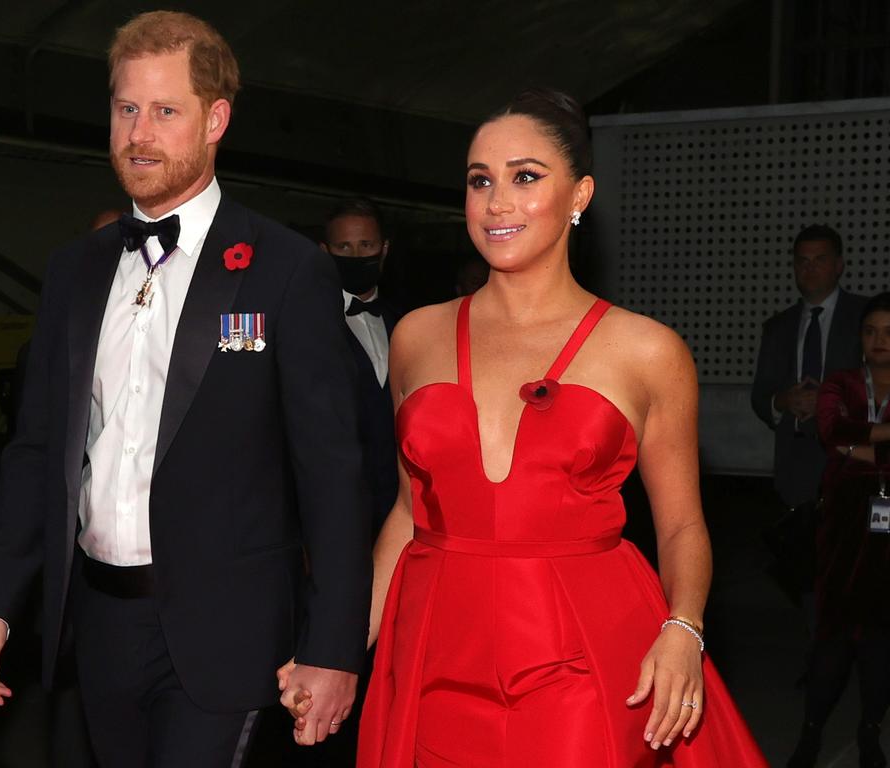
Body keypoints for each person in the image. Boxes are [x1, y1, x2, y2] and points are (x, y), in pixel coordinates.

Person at [281, 88, 766, 765]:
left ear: (580, 194)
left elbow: (682, 523)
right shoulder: (417, 336)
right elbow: (406, 511)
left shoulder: (647, 350)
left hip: (579, 653)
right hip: (433, 651)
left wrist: (684, 626)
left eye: (525, 177)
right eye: (481, 181)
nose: (496, 202)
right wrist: (337, 648)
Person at [0, 11, 371, 767]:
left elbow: (333, 477)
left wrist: (335, 647)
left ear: (216, 119)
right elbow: (38, 449)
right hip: (97, 628)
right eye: (125, 109)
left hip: (230, 637)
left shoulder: (284, 271)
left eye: (165, 111)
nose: (139, 133)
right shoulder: (73, 272)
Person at [786, 292, 890, 768]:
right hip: (844, 528)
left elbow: (847, 442)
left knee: (880, 638)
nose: (879, 341)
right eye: (870, 332)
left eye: (888, 332)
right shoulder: (841, 382)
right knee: (832, 635)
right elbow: (831, 432)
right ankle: (811, 733)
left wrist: (856, 448)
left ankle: (870, 731)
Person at [751, 225, 867, 603]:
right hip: (797, 467)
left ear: (839, 266)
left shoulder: (867, 319)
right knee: (807, 581)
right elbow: (760, 396)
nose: (810, 269)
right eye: (802, 261)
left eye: (819, 261)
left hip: (852, 465)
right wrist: (784, 402)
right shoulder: (778, 326)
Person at [321, 198, 402, 541]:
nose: (356, 256)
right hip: (333, 517)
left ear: (384, 250)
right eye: (345, 246)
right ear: (325, 253)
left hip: (401, 513)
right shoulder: (307, 325)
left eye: (366, 245)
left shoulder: (407, 324)